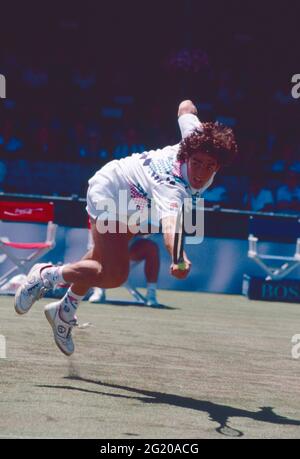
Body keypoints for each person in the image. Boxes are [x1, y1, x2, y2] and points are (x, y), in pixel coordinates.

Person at [14, 100, 238, 356]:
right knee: (113, 275)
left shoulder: (196, 136)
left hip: (138, 204)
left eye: (210, 166)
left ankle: (63, 312)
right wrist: (178, 257)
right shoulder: (172, 186)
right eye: (196, 162)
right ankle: (44, 275)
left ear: (219, 164)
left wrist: (191, 112)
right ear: (188, 154)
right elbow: (171, 227)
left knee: (98, 260)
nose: (201, 172)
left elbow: (185, 107)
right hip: (112, 190)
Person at [89, 236, 160, 307]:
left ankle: (151, 293)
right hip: (104, 250)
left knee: (151, 247)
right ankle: (99, 289)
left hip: (129, 249)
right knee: (104, 243)